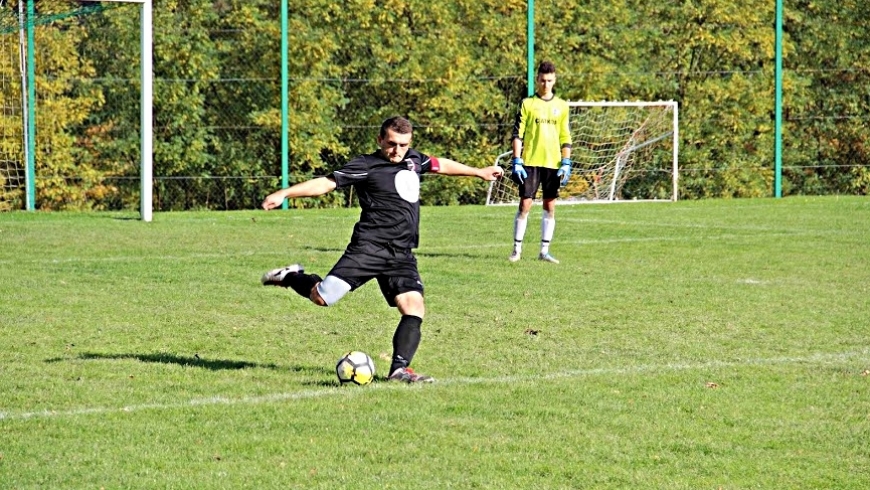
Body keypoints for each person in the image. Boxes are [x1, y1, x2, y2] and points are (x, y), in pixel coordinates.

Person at [260, 116, 504, 383]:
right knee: (322, 297)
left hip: (401, 253)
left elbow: (440, 164)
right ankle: (291, 276)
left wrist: (478, 171)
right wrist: (285, 193)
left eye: (403, 144)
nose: (397, 150)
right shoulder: (367, 165)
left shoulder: (413, 160)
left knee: (414, 306)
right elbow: (326, 183)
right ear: (380, 140)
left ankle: (399, 370)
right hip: (368, 249)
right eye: (391, 144)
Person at [508, 61, 573, 264]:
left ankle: (544, 251)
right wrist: (517, 160)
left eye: (550, 80)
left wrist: (566, 162)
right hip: (531, 162)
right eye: (543, 80)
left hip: (553, 164)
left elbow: (565, 136)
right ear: (537, 80)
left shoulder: (562, 106)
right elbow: (517, 134)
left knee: (550, 206)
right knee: (525, 204)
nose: (546, 84)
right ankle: (516, 250)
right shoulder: (528, 104)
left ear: (555, 81)